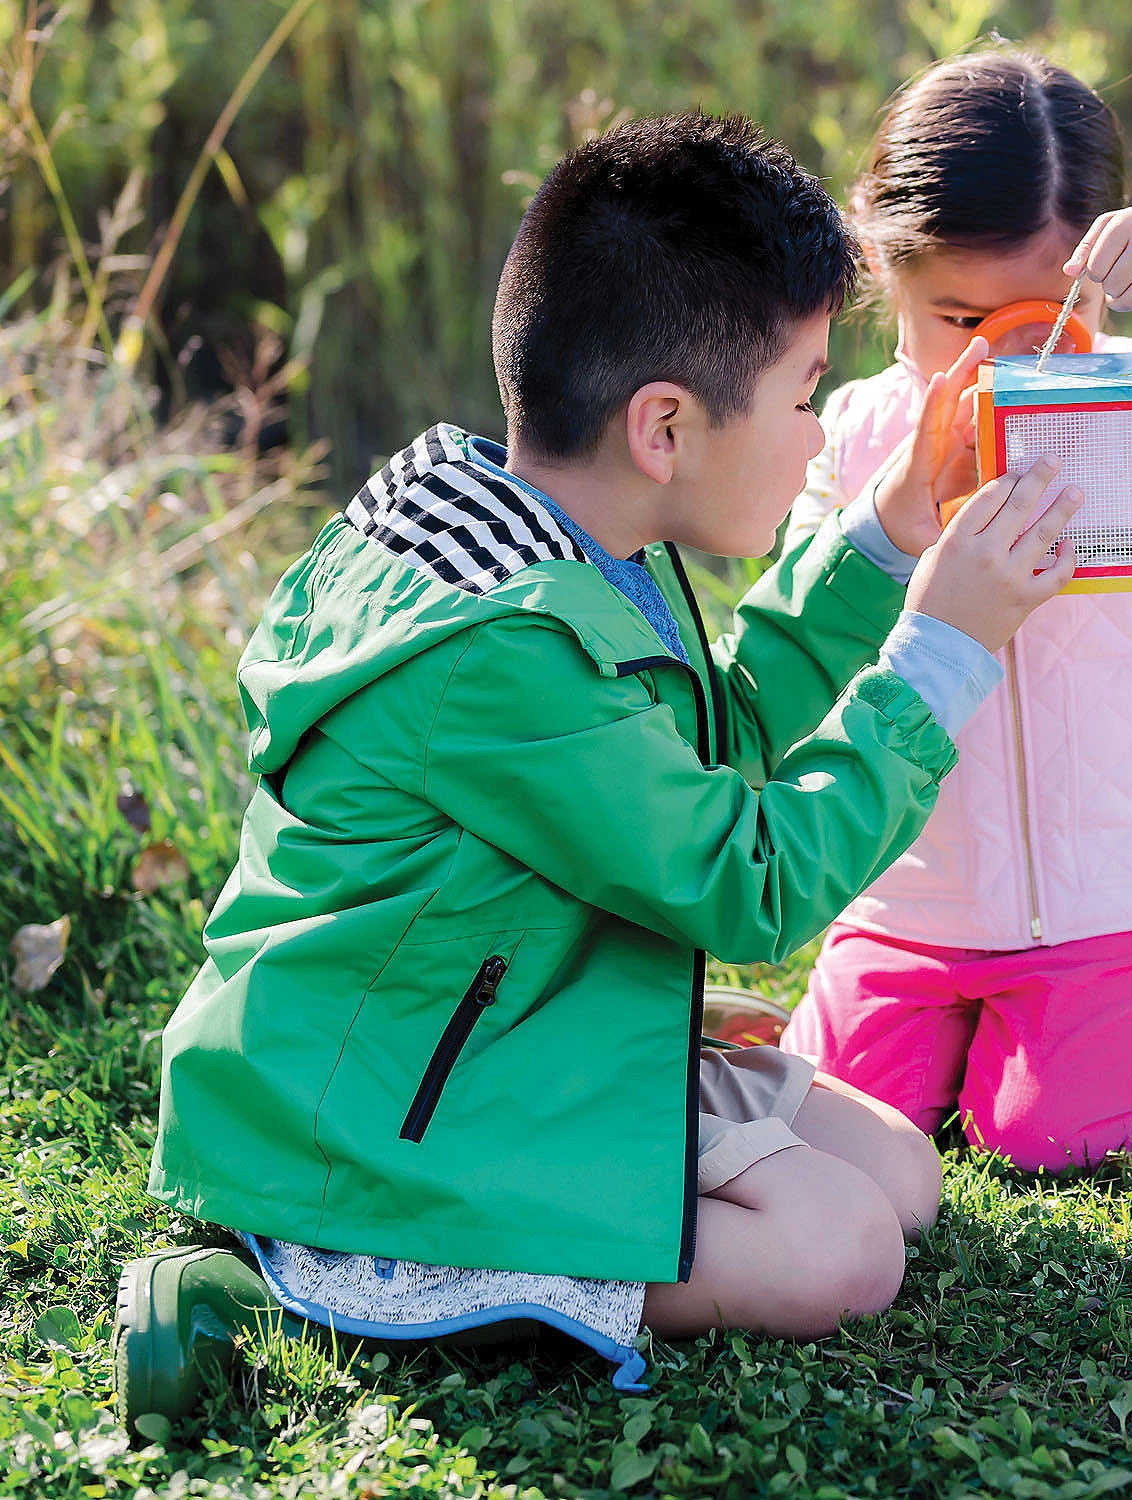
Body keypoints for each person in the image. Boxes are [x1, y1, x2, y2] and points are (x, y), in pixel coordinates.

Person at [117, 111, 1083, 1418]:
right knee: (840, 1250)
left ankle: (590, 1184)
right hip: (377, 1123)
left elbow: (717, 742)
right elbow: (745, 883)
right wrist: (944, 655)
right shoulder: (491, 654)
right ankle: (275, 1292)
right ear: (665, 427)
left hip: (519, 1027)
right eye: (804, 395)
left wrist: (884, 537)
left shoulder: (578, 540)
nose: (817, 436)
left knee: (902, 1176)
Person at [778, 46, 1132, 1171]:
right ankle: (964, 1022)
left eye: (1045, 323)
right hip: (913, 904)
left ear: (1106, 277)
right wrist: (902, 527)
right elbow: (813, 620)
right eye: (960, 320)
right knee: (847, 1120)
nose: (1004, 358)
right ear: (882, 267)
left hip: (1117, 897)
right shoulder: (852, 432)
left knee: (1046, 1139)